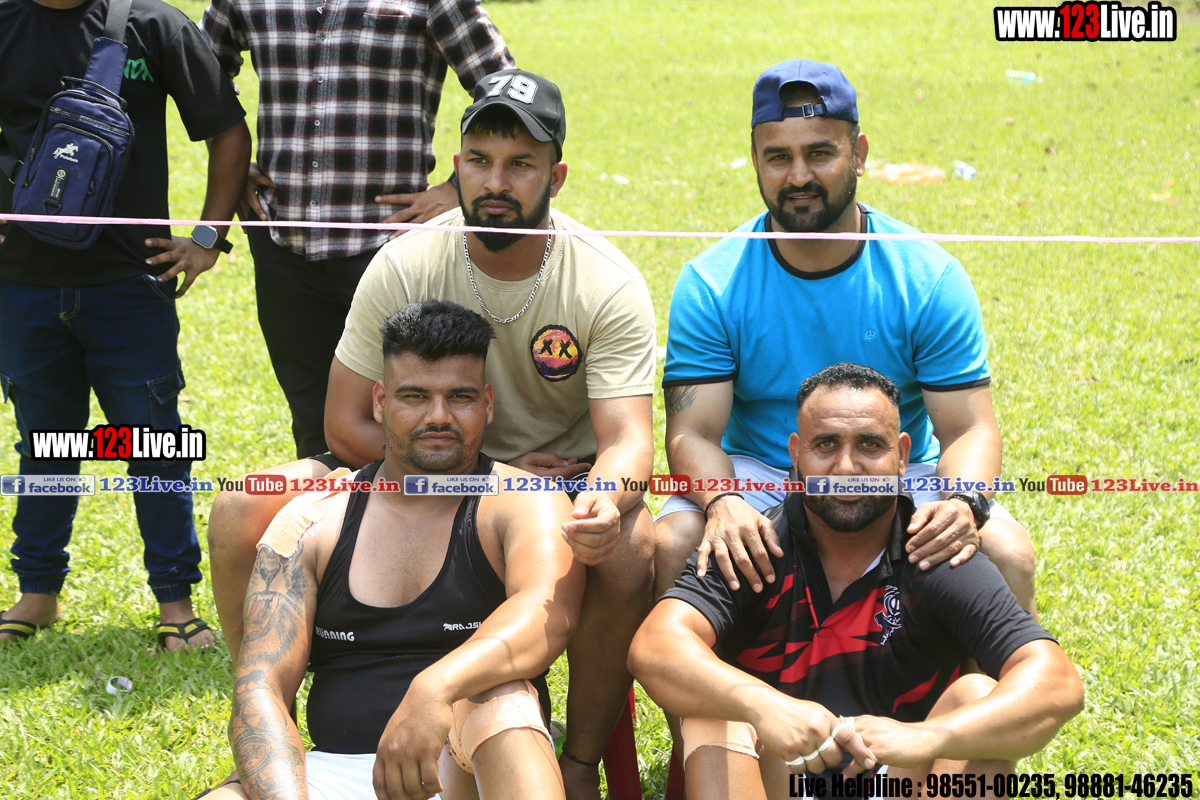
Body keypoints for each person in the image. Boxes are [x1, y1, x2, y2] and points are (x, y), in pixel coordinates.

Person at [206, 68, 656, 800]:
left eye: (520, 164)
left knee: (630, 545)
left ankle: (577, 763)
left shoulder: (604, 279)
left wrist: (598, 499)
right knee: (238, 504)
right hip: (411, 455)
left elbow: (629, 438)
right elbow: (347, 422)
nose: (496, 182)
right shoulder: (407, 260)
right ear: (456, 167)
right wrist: (484, 470)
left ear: (556, 176)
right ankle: (270, 732)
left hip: (557, 476)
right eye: (479, 160)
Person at [656, 59, 1037, 617]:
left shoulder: (927, 276)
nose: (798, 177)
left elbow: (969, 427)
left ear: (858, 154)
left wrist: (963, 503)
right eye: (778, 157)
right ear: (755, 161)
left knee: (1008, 553)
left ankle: (991, 678)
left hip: (893, 471)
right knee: (673, 543)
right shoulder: (711, 282)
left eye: (820, 153)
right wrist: (722, 501)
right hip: (761, 471)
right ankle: (697, 679)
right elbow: (691, 431)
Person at [629, 364, 1084, 800]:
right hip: (781, 779)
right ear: (795, 455)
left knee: (976, 695)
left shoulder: (937, 553)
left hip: (903, 780)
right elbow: (654, 645)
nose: (846, 468)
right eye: (826, 444)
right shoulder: (755, 545)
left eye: (869, 444)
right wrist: (766, 705)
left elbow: (1057, 682)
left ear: (902, 456)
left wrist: (928, 737)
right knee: (716, 712)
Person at [201, 301, 584, 800]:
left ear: (487, 405)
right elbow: (261, 687)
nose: (438, 416)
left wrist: (435, 689)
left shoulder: (523, 500)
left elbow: (545, 618)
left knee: (500, 700)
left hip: (470, 768)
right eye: (414, 396)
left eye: (461, 397)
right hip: (336, 773)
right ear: (381, 403)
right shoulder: (315, 520)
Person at [0, 0, 250, 649]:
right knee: (44, 443)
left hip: (130, 285)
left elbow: (227, 129)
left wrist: (207, 237)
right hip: (22, 285)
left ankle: (175, 603)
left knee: (154, 445)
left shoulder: (154, 26)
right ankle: (37, 593)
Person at [199, 0, 514, 459]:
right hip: (283, 246)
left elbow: (503, 89)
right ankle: (327, 507)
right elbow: (201, 72)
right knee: (314, 421)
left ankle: (436, 507)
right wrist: (233, 162)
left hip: (391, 250)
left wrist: (456, 189)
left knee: (416, 414)